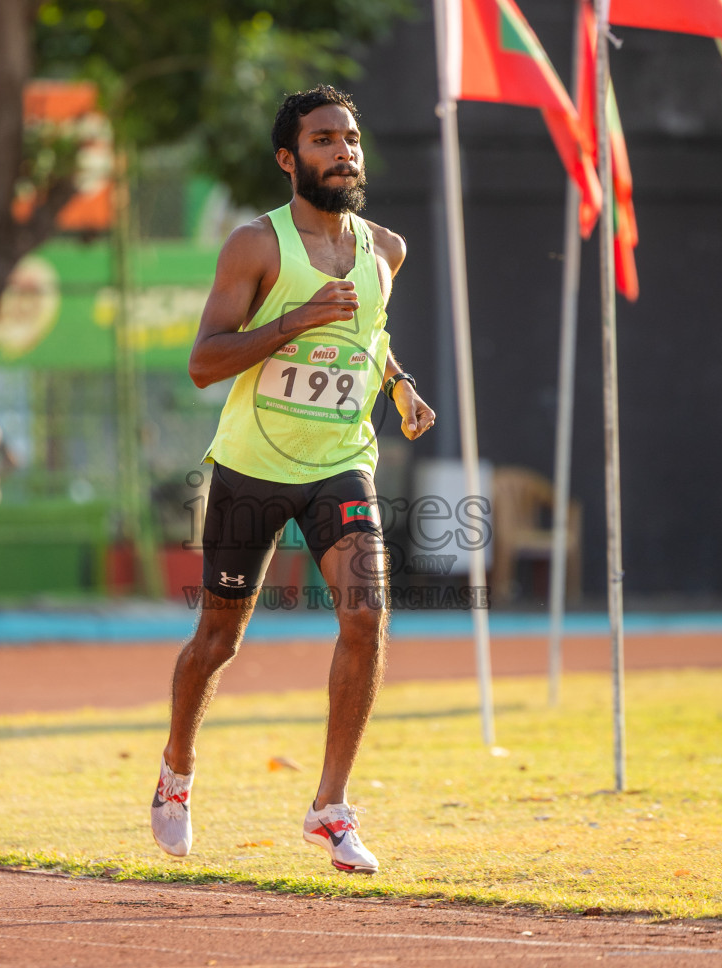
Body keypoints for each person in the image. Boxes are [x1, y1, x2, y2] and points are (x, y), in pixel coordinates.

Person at [151, 86, 436, 874]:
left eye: (350, 138)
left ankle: (331, 809)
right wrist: (287, 324)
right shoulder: (257, 247)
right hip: (252, 466)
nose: (343, 151)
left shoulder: (388, 250)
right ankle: (176, 774)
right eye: (322, 140)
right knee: (218, 640)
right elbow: (205, 362)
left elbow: (370, 336)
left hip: (340, 462)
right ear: (289, 159)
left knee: (366, 617)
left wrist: (399, 382)